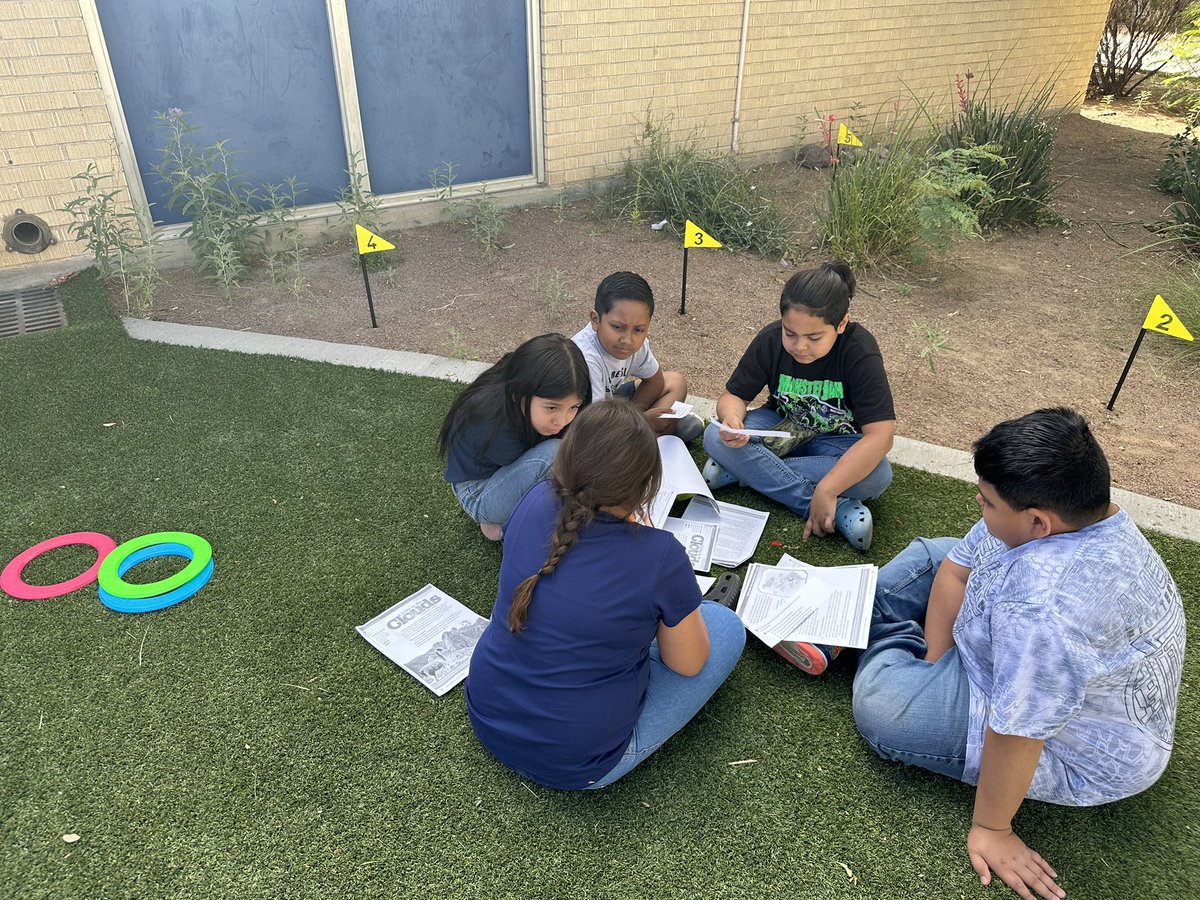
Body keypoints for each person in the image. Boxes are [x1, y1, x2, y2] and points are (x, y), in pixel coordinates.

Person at [852, 408, 1185, 900]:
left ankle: (859, 629)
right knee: (930, 555)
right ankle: (863, 627)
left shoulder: (1045, 612)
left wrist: (993, 828)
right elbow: (957, 570)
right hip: (1008, 646)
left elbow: (1019, 730)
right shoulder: (1078, 513)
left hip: (1072, 746)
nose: (978, 506)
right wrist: (934, 661)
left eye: (986, 502)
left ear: (1038, 524)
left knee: (885, 710)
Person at [465, 400, 746, 790]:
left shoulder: (533, 500)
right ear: (647, 486)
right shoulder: (660, 554)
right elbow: (688, 664)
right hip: (577, 760)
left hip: (486, 712)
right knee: (726, 627)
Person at [701, 261, 895, 555]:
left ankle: (743, 472)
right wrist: (731, 419)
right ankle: (816, 503)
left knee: (878, 475)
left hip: (834, 444)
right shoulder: (769, 339)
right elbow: (732, 397)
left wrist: (829, 486)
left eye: (814, 338)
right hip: (780, 429)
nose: (799, 346)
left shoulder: (859, 350)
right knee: (714, 437)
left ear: (841, 324)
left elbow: (881, 436)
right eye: (790, 333)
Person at [438, 333, 590, 541]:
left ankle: (508, 519)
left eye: (574, 407)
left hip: (503, 472)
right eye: (552, 407)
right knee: (556, 454)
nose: (562, 420)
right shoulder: (491, 422)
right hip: (478, 492)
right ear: (520, 393)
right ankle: (499, 519)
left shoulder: (520, 390)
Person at [571, 271, 705, 442]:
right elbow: (595, 423)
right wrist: (642, 420)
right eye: (618, 327)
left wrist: (636, 413)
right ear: (595, 320)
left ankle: (645, 437)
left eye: (639, 330)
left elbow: (655, 380)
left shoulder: (635, 344)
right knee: (603, 441)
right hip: (588, 421)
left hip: (613, 403)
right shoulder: (585, 357)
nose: (627, 339)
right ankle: (653, 439)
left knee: (675, 381)